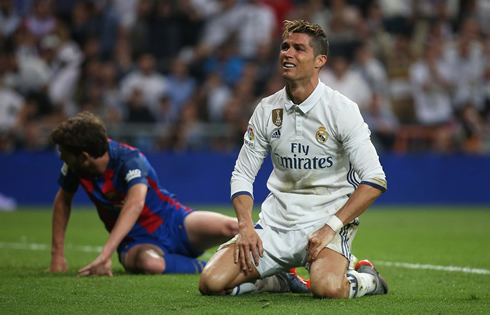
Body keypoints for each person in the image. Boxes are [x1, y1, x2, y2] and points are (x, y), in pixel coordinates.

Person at [199, 19, 388, 299]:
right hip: (275, 225)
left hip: (325, 224)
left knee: (328, 289)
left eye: (299, 49)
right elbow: (242, 174)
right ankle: (280, 280)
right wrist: (246, 226)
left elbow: (375, 178)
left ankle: (370, 279)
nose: (288, 53)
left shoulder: (341, 110)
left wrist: (332, 227)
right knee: (211, 283)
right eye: (285, 47)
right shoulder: (266, 109)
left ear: (319, 60)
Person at [46, 111, 240, 276]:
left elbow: (135, 203)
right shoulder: (74, 168)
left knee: (233, 227)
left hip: (173, 221)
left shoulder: (129, 159)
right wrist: (57, 256)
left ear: (84, 157)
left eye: (64, 152)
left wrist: (105, 255)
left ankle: (267, 265)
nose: (62, 157)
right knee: (149, 264)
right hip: (135, 242)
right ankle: (216, 270)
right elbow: (63, 201)